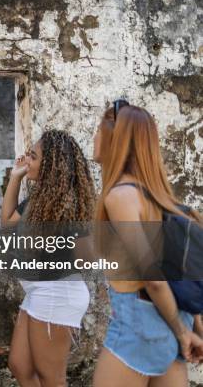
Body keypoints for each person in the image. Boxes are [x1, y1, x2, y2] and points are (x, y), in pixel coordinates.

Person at [91, 101, 203, 387]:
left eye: (98, 131)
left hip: (139, 328)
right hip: (172, 327)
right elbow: (183, 272)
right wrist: (193, 330)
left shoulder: (120, 196)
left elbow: (152, 278)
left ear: (115, 142)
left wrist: (182, 333)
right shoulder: (163, 200)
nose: (94, 138)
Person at [1, 129, 95, 387]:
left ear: (52, 164)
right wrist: (15, 178)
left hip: (57, 293)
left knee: (51, 378)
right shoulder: (41, 199)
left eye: (32, 156)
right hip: (38, 291)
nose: (26, 160)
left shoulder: (68, 205)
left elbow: (87, 259)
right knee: (20, 366)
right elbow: (8, 223)